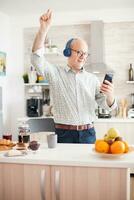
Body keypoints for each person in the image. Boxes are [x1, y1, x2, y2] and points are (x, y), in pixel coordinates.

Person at [31, 9, 117, 144]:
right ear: (67, 52)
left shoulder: (92, 79)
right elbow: (36, 59)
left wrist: (110, 95)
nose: (83, 56)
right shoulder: (55, 73)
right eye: (79, 52)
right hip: (64, 134)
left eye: (86, 53)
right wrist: (43, 29)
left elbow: (108, 107)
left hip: (88, 133)